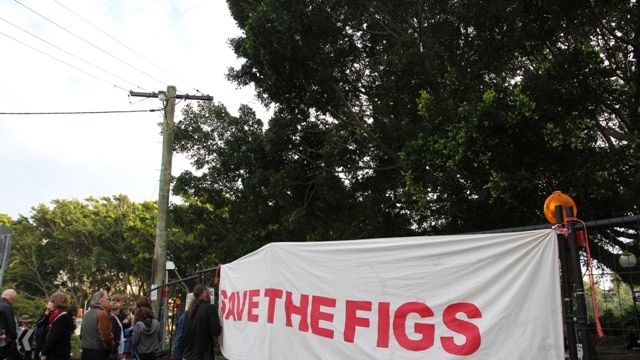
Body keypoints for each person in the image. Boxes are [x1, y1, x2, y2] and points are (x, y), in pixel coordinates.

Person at [182, 285, 221, 360]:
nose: (210, 295)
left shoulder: (187, 313)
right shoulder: (210, 308)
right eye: (209, 293)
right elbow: (216, 332)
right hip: (203, 356)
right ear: (205, 293)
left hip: (187, 356)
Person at [39, 292, 74, 360]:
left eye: (52, 302)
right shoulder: (57, 317)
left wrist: (44, 352)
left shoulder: (63, 318)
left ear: (57, 303)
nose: (49, 304)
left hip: (58, 354)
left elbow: (54, 338)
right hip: (54, 353)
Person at [80, 291, 114, 360]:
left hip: (86, 351)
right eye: (107, 300)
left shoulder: (86, 314)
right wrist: (110, 347)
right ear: (101, 302)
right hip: (98, 353)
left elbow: (81, 334)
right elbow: (106, 336)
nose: (109, 302)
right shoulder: (102, 314)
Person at [0, 289, 20, 360]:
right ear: (12, 298)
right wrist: (11, 337)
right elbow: (11, 327)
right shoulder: (7, 307)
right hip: (4, 343)